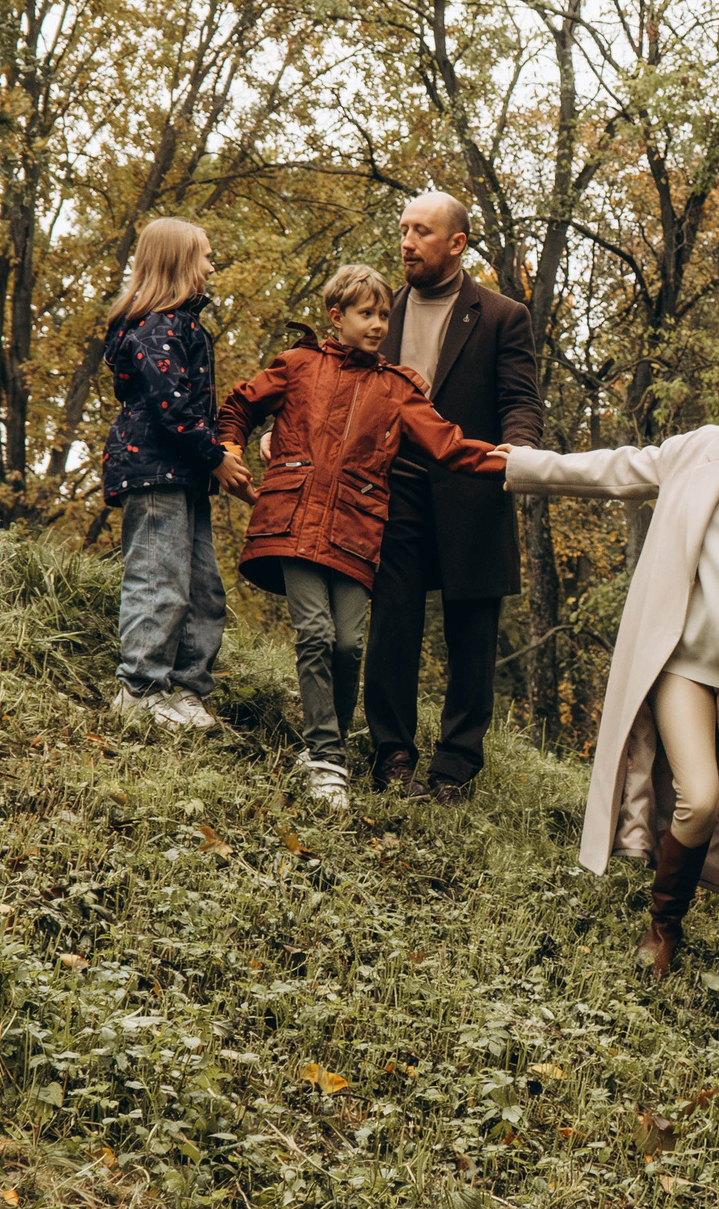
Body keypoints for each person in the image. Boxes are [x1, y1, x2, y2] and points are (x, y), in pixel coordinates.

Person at [502, 350, 719, 1017]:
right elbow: (611, 469)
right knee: (699, 800)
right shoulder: (701, 452)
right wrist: (511, 465)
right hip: (683, 667)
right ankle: (662, 928)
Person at [219, 265, 507, 807]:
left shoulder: (396, 389)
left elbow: (447, 445)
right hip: (294, 522)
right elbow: (239, 404)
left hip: (355, 530)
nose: (378, 324)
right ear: (337, 317)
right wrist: (229, 452)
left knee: (350, 643)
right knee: (315, 634)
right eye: (366, 314)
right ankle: (327, 757)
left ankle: (329, 747)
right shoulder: (297, 365)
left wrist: (508, 464)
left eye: (383, 315)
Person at [363, 191, 544, 801]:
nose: (407, 242)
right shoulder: (379, 311)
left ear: (457, 244)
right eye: (404, 229)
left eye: (421, 232)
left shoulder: (501, 316)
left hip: (473, 489)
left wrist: (514, 457)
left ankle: (455, 768)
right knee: (392, 629)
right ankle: (392, 755)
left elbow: (520, 402)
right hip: (394, 493)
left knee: (472, 636)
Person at [101, 218, 253, 731]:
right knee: (158, 580)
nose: (212, 266)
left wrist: (209, 461)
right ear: (178, 262)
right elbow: (174, 409)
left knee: (204, 589)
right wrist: (217, 456)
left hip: (184, 477)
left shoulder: (181, 326)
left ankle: (185, 690)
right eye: (205, 256)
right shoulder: (156, 328)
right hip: (154, 476)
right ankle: (139, 687)